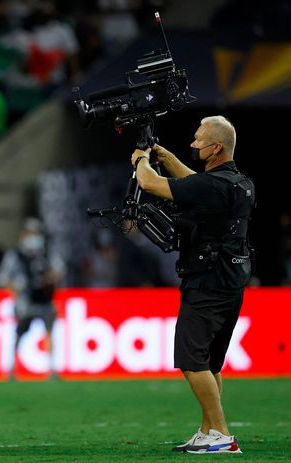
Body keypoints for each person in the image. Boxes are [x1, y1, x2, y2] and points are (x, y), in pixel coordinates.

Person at [130, 115, 254, 454]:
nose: (194, 144)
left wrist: (142, 159)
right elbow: (196, 184)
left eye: (199, 141)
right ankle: (207, 430)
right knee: (211, 362)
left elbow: (151, 184)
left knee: (191, 359)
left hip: (207, 282)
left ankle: (223, 435)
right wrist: (169, 159)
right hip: (231, 282)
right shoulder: (238, 182)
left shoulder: (212, 185)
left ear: (216, 148)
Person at [0, 217, 63, 362]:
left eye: (36, 232)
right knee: (20, 332)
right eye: (30, 232)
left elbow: (59, 270)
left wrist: (49, 279)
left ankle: (52, 369)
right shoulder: (16, 255)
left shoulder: (47, 253)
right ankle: (12, 367)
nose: (33, 236)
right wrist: (15, 288)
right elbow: (1, 278)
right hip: (26, 300)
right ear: (23, 234)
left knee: (49, 331)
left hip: (45, 299)